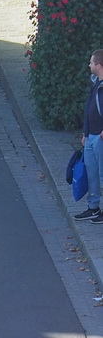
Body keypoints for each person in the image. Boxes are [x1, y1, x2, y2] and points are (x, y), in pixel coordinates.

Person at [75, 50, 103, 221]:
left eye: (91, 62)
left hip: (100, 137)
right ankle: (93, 208)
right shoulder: (95, 83)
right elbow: (88, 109)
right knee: (91, 173)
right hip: (91, 136)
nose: (89, 65)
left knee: (102, 174)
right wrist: (85, 132)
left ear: (99, 65)